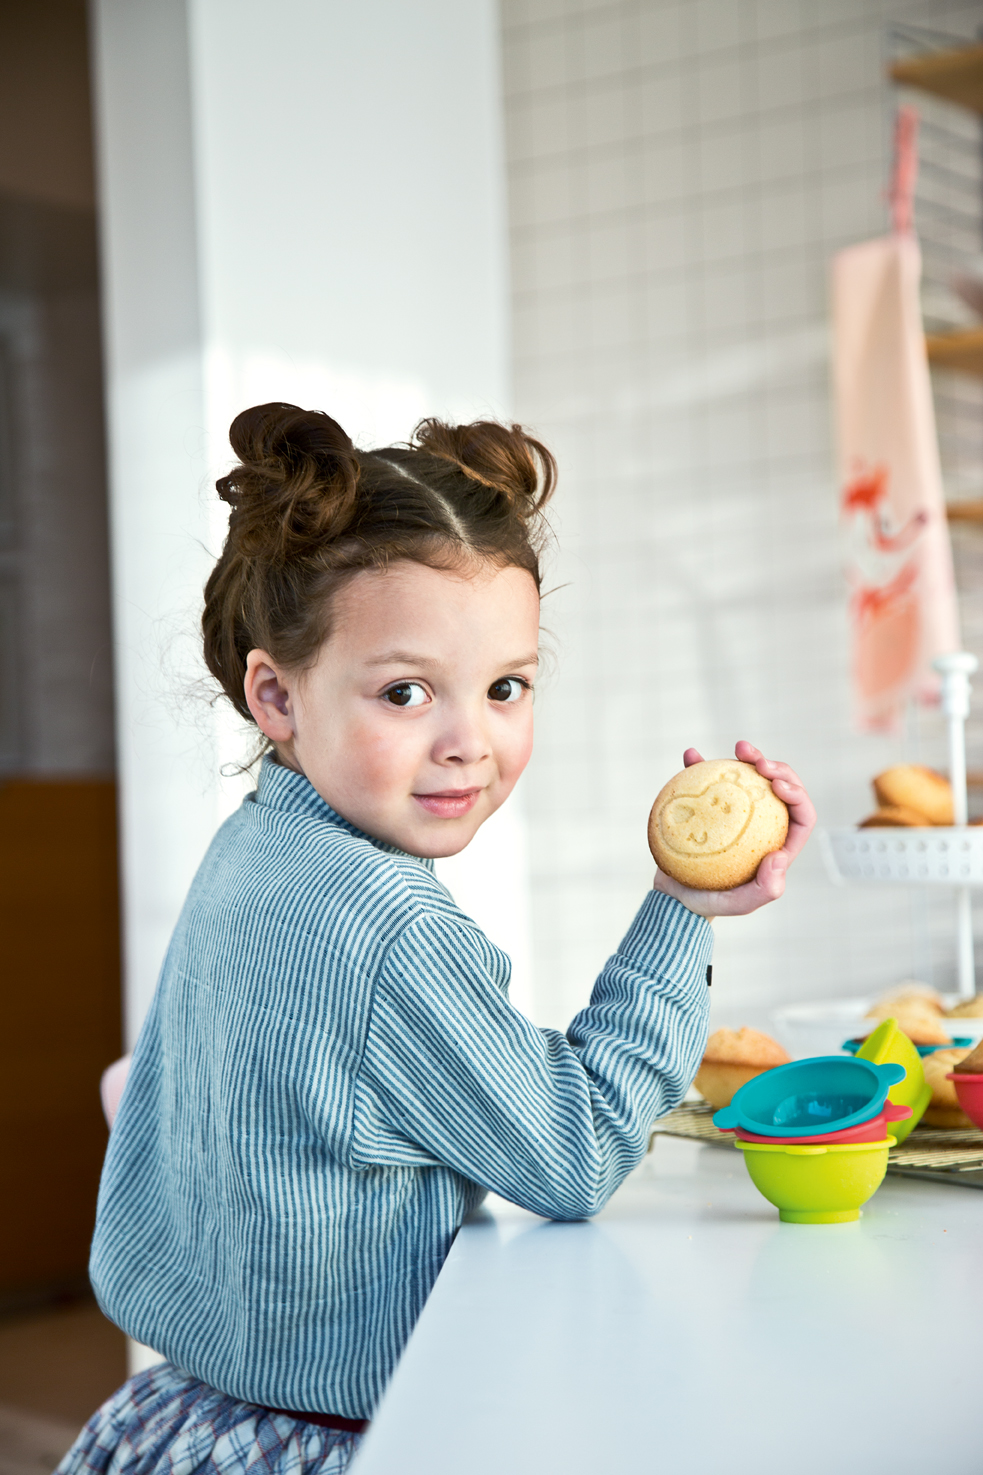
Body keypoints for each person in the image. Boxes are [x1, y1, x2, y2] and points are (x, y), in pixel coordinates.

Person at [59, 405, 815, 1475]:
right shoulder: (389, 928)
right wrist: (680, 906)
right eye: (405, 691)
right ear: (274, 692)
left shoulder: (252, 849)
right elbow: (576, 1147)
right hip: (333, 1446)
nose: (470, 742)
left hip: (178, 1416)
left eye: (505, 686)